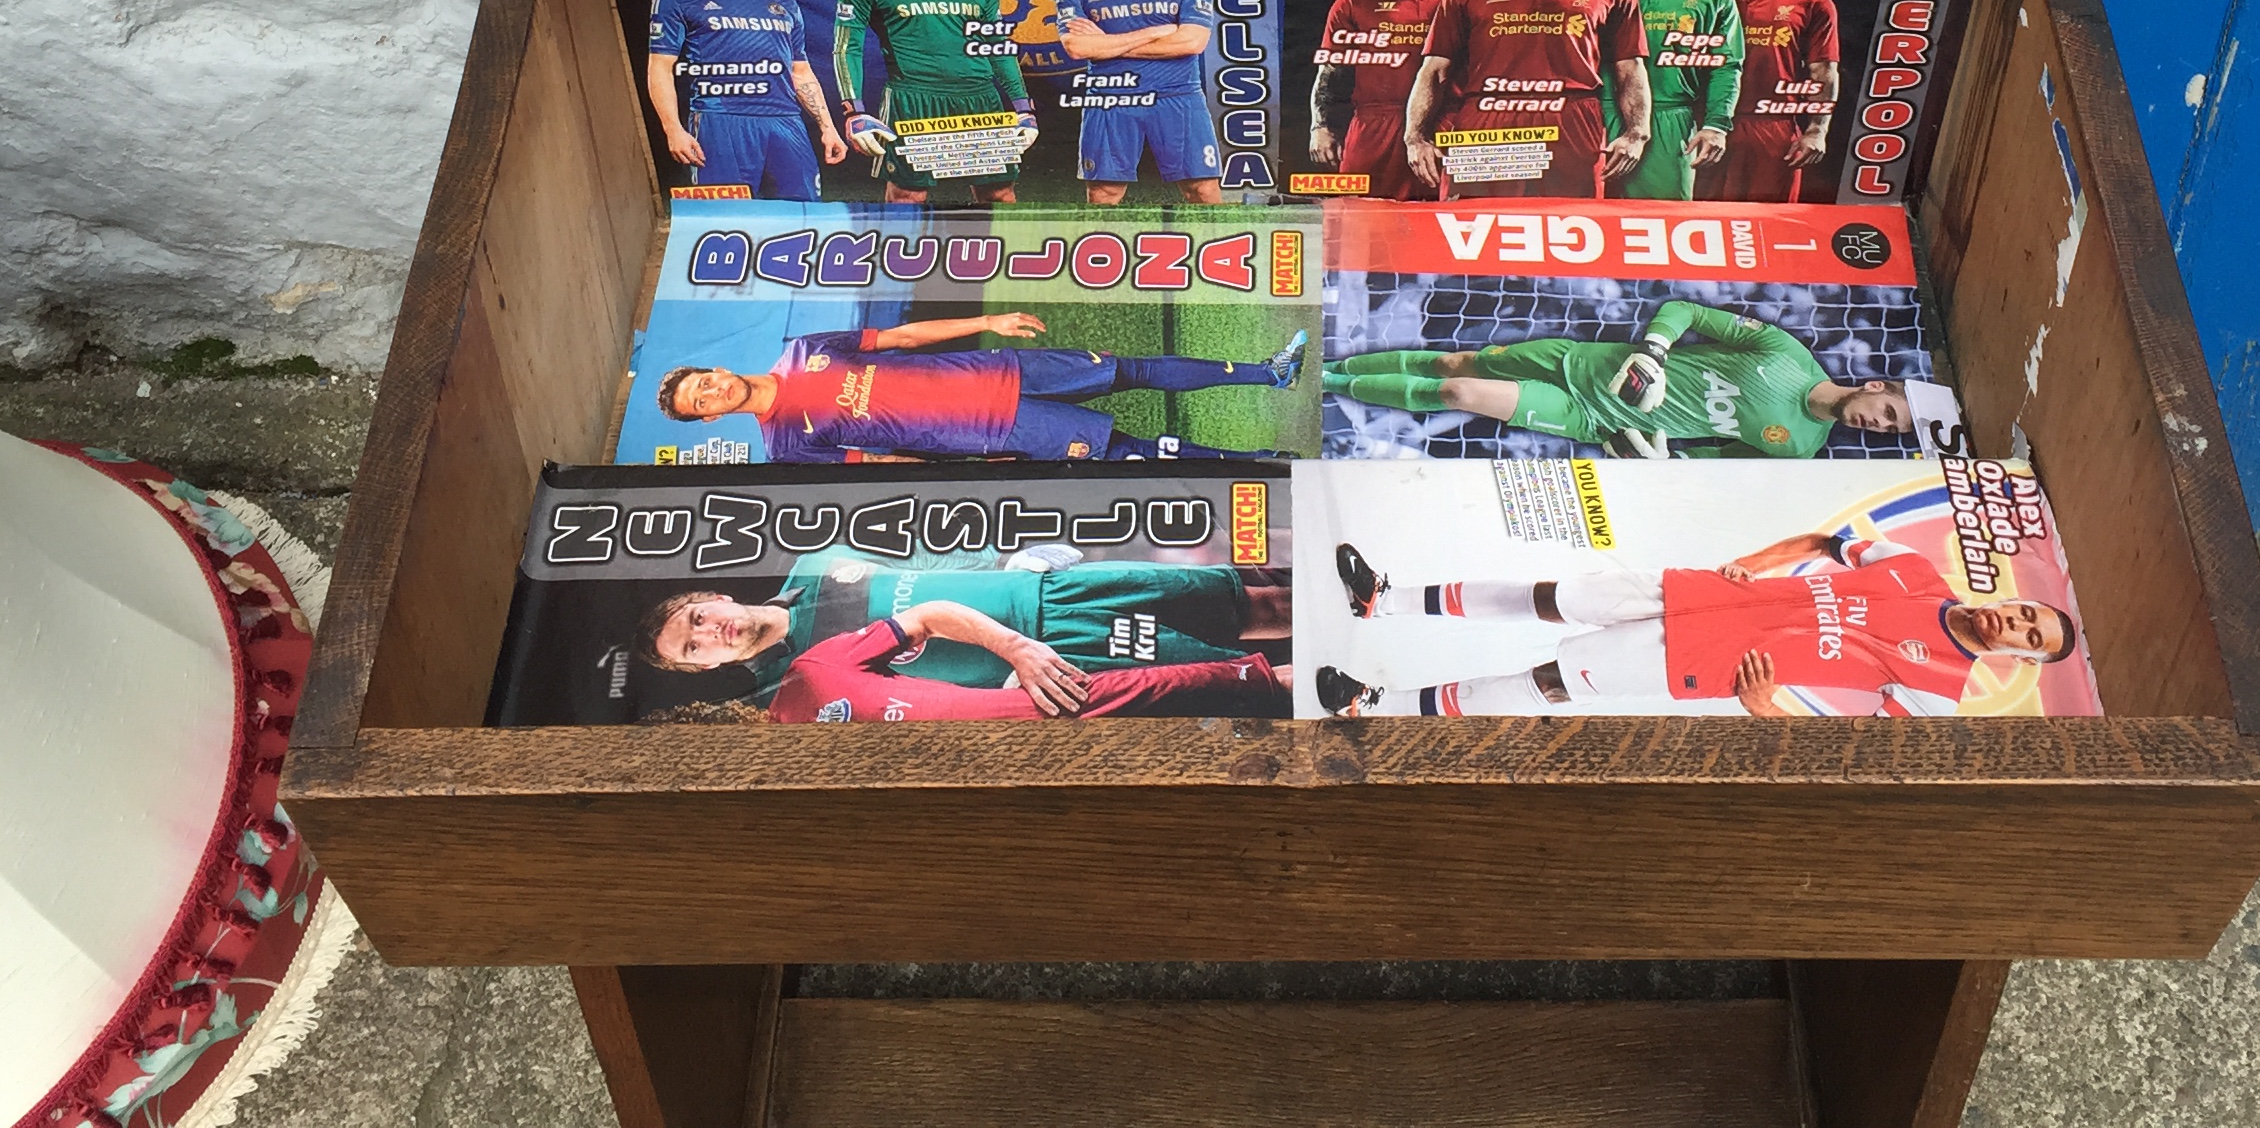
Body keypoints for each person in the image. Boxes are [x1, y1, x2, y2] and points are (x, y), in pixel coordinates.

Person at [1314, 525, 2076, 717]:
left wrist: (1768, 709)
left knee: (1549, 680)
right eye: (2028, 613)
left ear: (2022, 661)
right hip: (1711, 594)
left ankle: (1373, 703)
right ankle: (1384, 596)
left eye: (2030, 637)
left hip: (1710, 663)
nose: (2016, 623)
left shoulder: (1943, 682)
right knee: (1554, 592)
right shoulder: (1917, 570)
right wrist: (1755, 560)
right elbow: (1822, 542)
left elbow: (1864, 761)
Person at [656, 311, 1307, 463]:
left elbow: (902, 339)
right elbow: (883, 465)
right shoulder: (786, 447)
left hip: (1001, 372)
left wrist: (987, 321)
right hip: (996, 432)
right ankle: (1262, 463)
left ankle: (1269, 373)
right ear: (709, 421)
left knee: (1129, 368)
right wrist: (977, 465)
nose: (712, 390)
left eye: (702, 380)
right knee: (1128, 449)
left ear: (712, 368)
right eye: (700, 403)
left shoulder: (804, 351)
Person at [637, 556, 1292, 705]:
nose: (712, 632)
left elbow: (930, 548)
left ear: (714, 597)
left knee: (1252, 606)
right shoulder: (794, 688)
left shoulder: (815, 563)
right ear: (707, 670)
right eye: (695, 649)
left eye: (697, 618)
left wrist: (1016, 560)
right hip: (1057, 658)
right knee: (1251, 679)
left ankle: (1389, 599)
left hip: (1052, 588)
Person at [1323, 298, 1915, 458]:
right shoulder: (1785, 350)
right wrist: (1655, 351)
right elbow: (1687, 311)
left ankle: (1326, 383)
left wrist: (1665, 463)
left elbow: (1711, 465)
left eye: (1889, 432)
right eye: (1888, 412)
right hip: (1587, 362)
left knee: (1458, 393)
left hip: (1600, 416)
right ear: (1875, 387)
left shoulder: (1800, 451)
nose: (1877, 425)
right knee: (1456, 365)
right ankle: (1332, 372)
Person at [1401, 0, 1651, 198]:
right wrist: (1415, 137)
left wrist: (1636, 133)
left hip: (1570, 120)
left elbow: (1630, 69)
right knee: (1473, 224)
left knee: (1568, 223)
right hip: (1488, 120)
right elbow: (1435, 70)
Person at [768, 607, 1290, 721]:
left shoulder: (812, 672)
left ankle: (1359, 681)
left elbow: (928, 614)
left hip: (1058, 705)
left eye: (696, 620)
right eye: (690, 647)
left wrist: (1016, 647)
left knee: (1226, 678)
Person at [833, 0, 1036, 205]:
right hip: (913, 99)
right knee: (908, 196)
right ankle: (900, 249)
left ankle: (993, 249)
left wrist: (1023, 108)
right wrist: (854, 111)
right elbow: (847, 48)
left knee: (998, 195)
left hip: (980, 100)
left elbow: (998, 46)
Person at [645, 0, 849, 196]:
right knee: (727, 221)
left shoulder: (783, 5)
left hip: (785, 122)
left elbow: (800, 72)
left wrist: (828, 128)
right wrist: (673, 129)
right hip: (720, 121)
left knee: (802, 215)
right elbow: (660, 67)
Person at [1056, 0, 1225, 205]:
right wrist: (1153, 32)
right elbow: (1078, 48)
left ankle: (1218, 248)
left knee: (1203, 190)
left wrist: (1106, 44)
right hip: (1111, 100)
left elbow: (1192, 42)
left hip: (1177, 97)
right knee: (1103, 194)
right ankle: (1102, 248)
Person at [1308, 0, 1462, 199]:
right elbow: (1332, 71)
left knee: (1451, 225)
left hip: (1451, 125)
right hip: (1374, 127)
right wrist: (1320, 126)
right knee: (1360, 224)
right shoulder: (1356, 1)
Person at [1698, 0, 1840, 203]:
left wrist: (1817, 130)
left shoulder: (1813, 4)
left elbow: (1823, 71)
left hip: (1773, 127)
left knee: (1768, 221)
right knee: (1698, 217)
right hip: (1705, 123)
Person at [1611, 0, 1745, 201]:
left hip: (1670, 119)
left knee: (1662, 220)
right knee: (1575, 213)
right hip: (1596, 113)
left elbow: (1727, 66)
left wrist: (1716, 125)